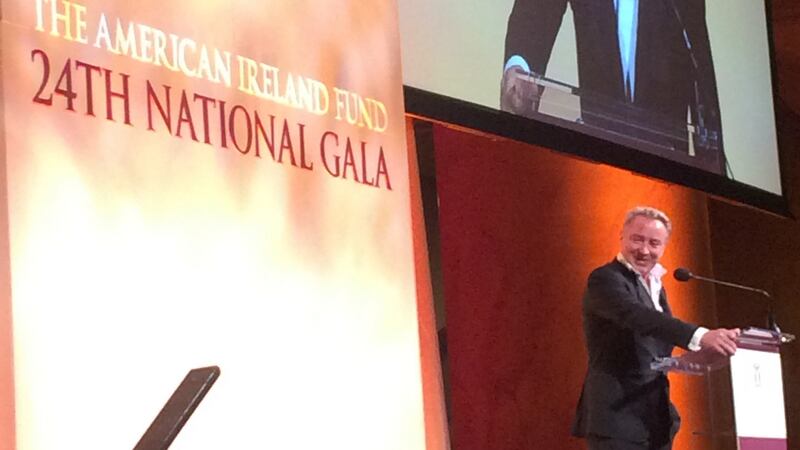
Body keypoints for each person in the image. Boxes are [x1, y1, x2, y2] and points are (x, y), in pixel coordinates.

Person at [571, 206, 740, 449]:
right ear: (622, 236)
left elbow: (652, 348)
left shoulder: (656, 287)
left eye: (654, 243)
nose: (644, 250)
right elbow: (637, 316)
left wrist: (697, 358)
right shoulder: (605, 279)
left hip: (655, 421)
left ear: (664, 247)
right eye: (637, 239)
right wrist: (699, 335)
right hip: (617, 420)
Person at [500, 0, 726, 175]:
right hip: (596, 160)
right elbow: (535, 13)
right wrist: (520, 65)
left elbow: (699, 59)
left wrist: (714, 177)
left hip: (668, 171)